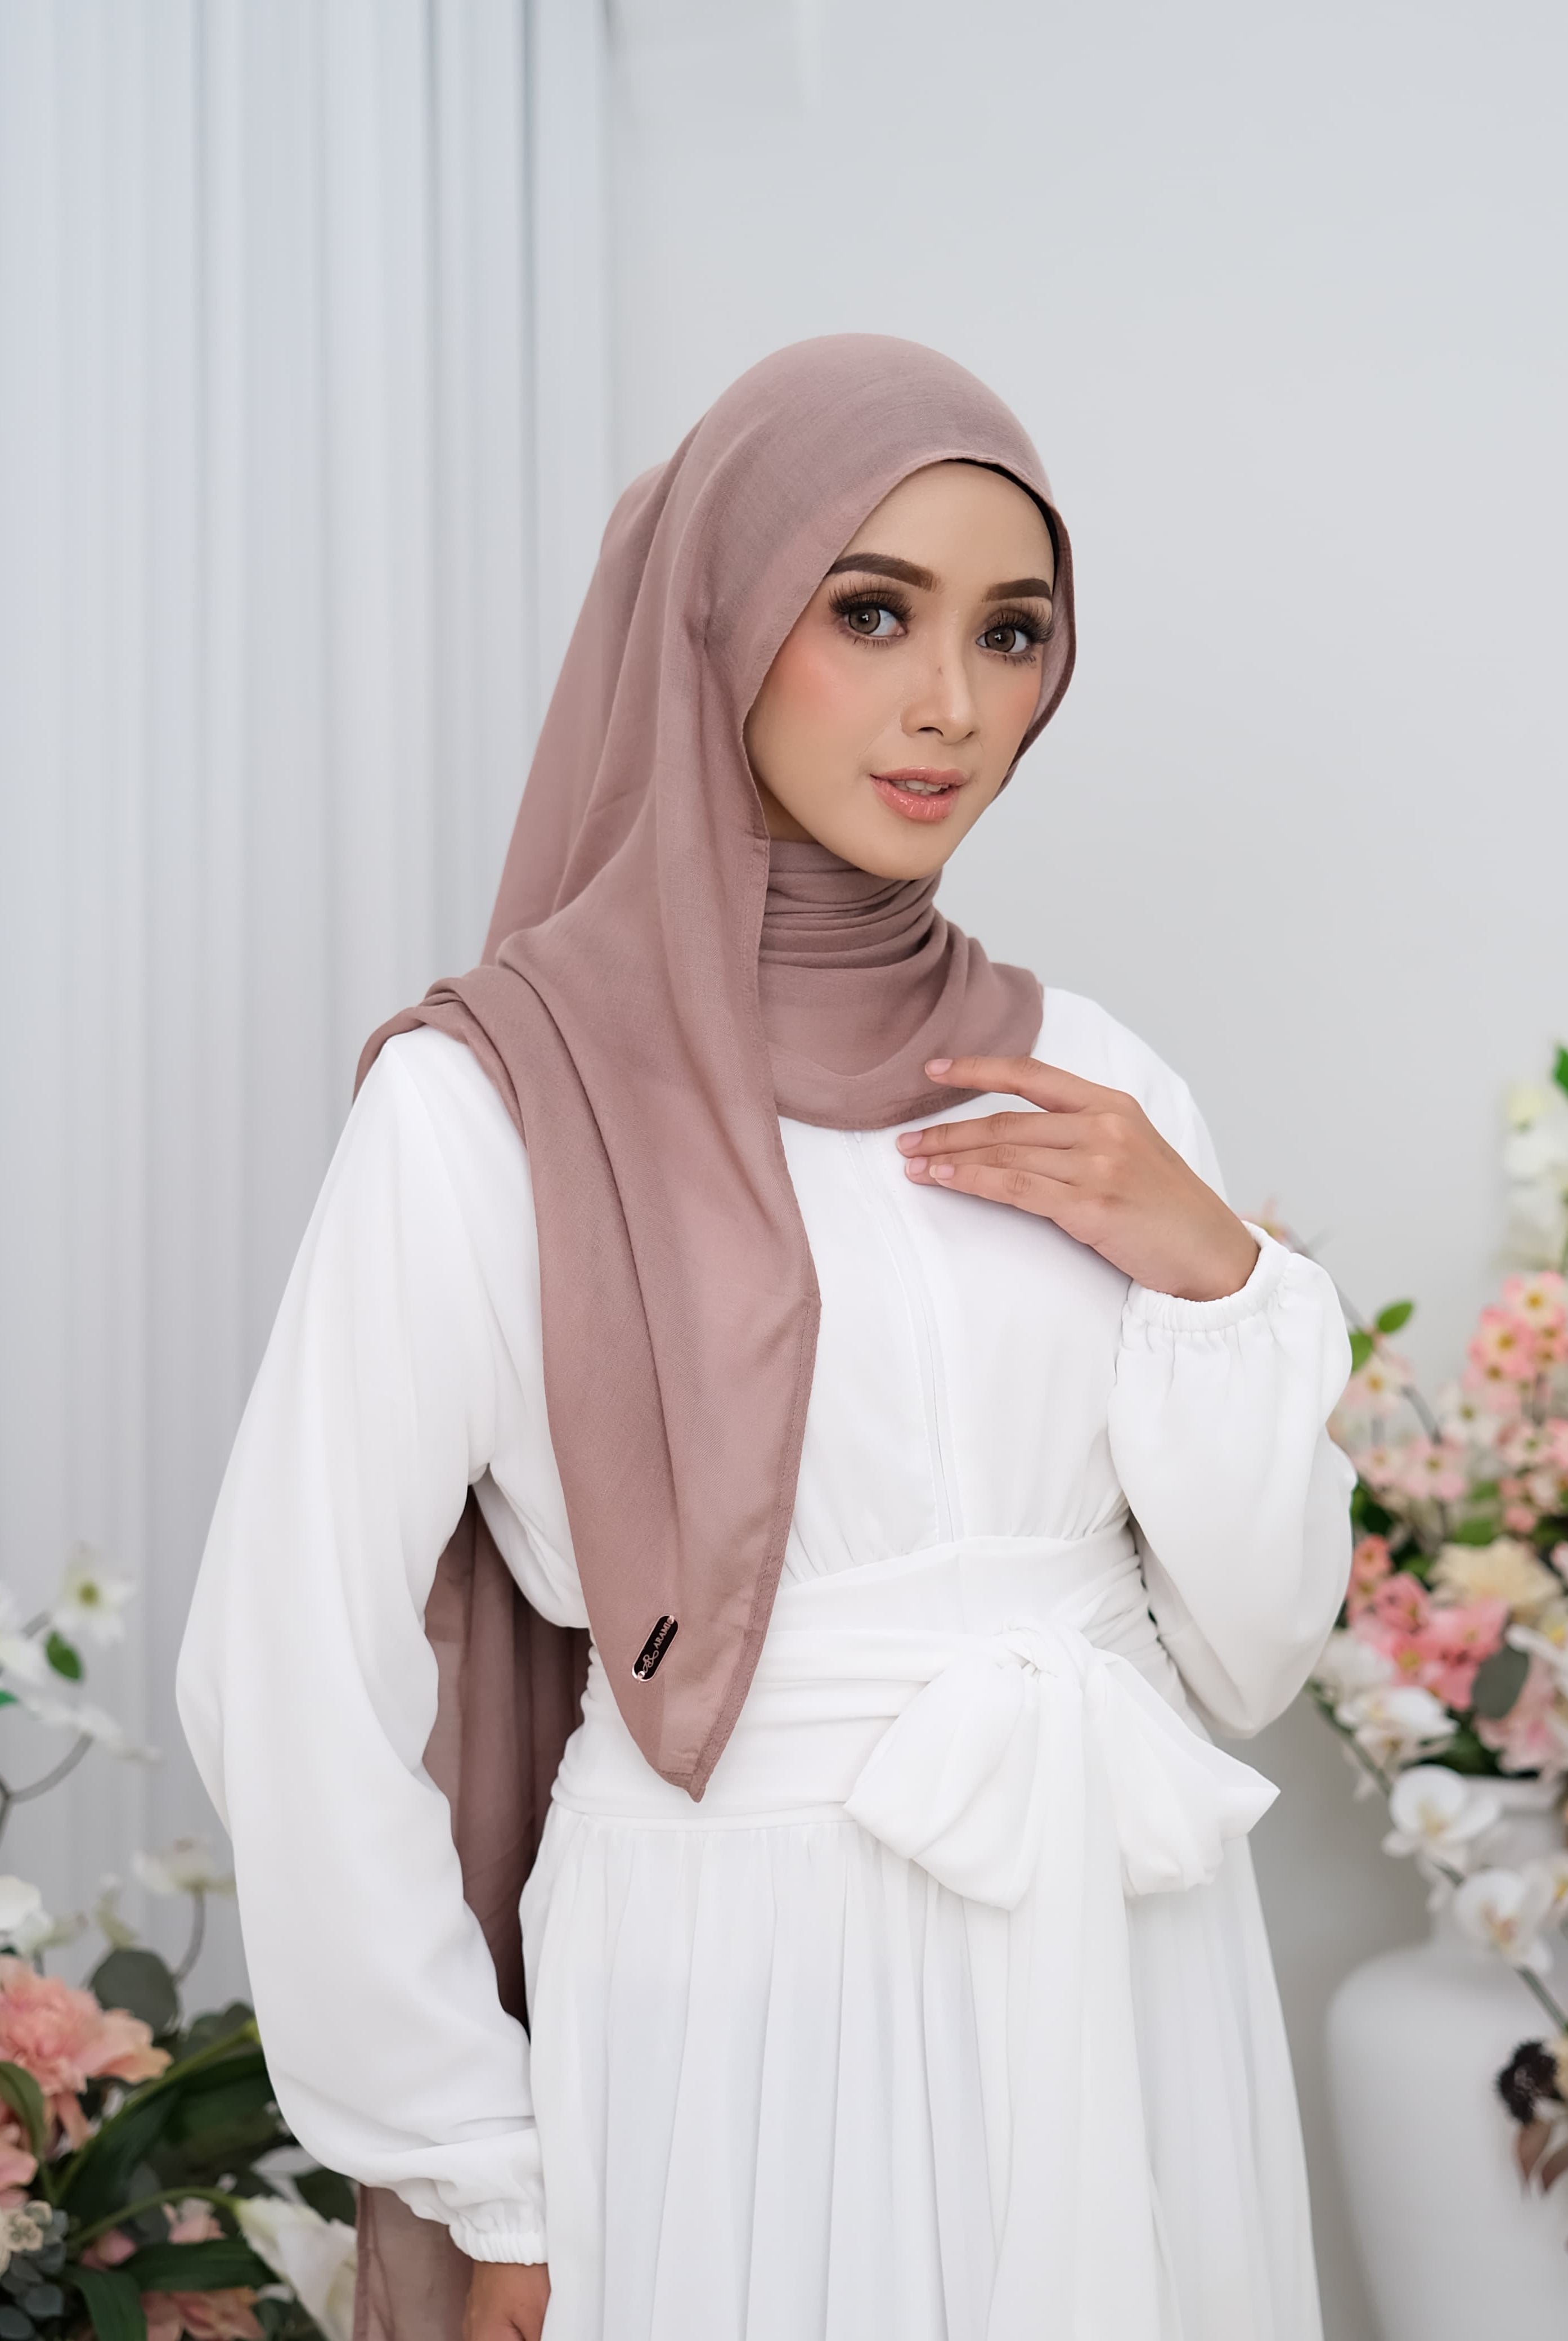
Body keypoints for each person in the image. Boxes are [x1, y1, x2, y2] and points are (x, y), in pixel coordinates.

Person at [178, 336, 1354, 2341]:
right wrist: (479, 2164)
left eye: (1010, 634)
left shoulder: (1091, 1078)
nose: (946, 704)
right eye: (870, 611)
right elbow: (284, 1660)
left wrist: (1225, 1282)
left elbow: (1244, 1656)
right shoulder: (491, 1103)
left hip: (1120, 1960)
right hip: (734, 1995)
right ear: (716, 622)